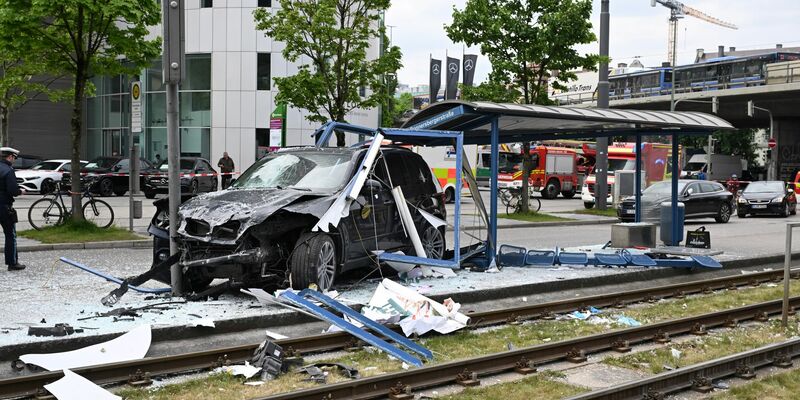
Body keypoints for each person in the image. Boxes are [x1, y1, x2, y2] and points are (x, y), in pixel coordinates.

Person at [0, 147, 24, 271]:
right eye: (14, 158)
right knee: (10, 235)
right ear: (10, 157)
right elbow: (13, 190)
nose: (14, 160)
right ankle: (12, 263)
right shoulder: (8, 170)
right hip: (4, 207)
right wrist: (21, 191)